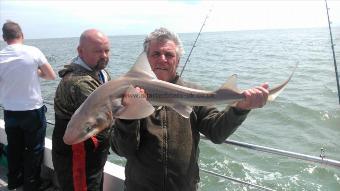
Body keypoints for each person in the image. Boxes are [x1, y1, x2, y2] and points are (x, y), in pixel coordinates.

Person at [111, 27, 269, 191]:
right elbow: (123, 150)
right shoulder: (128, 95)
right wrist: (129, 114)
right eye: (156, 54)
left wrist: (240, 109)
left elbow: (217, 133)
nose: (162, 59)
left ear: (178, 60)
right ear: (146, 59)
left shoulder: (194, 93)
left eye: (169, 55)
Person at [52, 29, 112, 191]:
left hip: (93, 151)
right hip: (78, 154)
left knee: (95, 183)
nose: (104, 55)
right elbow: (105, 117)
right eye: (98, 51)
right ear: (80, 51)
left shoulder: (99, 71)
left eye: (107, 50)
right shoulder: (79, 82)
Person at [0, 20, 56, 190]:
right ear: (22, 35)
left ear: (4, 38)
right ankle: (31, 184)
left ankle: (13, 182)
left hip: (10, 111)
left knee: (14, 148)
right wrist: (35, 72)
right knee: (34, 149)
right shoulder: (33, 51)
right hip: (32, 112)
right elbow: (51, 75)